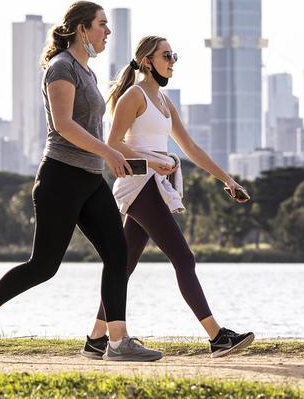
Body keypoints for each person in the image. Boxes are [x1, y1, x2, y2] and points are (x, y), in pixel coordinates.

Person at [0, 2, 162, 362]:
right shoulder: (61, 67)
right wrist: (110, 153)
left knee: (117, 252)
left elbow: (92, 128)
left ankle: (117, 341)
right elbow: (65, 125)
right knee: (44, 266)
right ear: (81, 29)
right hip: (61, 177)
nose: (107, 32)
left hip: (89, 177)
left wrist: (113, 156)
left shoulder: (87, 71)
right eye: (101, 24)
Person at [81, 35, 254, 359]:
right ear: (148, 61)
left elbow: (191, 148)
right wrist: (151, 161)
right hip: (141, 184)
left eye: (174, 55)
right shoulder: (134, 96)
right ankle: (217, 337)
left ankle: (96, 339)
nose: (173, 61)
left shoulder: (162, 101)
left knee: (124, 265)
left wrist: (227, 180)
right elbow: (113, 141)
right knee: (184, 258)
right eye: (167, 55)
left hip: (155, 183)